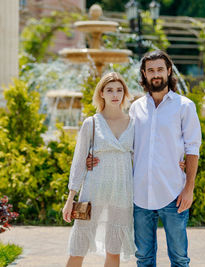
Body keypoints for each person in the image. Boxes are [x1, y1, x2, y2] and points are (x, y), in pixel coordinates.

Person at [88, 50, 201, 266]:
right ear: (144, 74)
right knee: (144, 258)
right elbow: (122, 145)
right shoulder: (135, 108)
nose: (155, 74)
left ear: (169, 71)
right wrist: (93, 159)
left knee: (179, 258)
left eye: (160, 69)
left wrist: (189, 188)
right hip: (140, 195)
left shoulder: (184, 106)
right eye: (151, 70)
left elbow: (193, 148)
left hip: (173, 193)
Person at [62, 72, 136, 267]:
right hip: (92, 193)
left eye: (119, 90)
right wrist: (71, 199)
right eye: (110, 90)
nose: (115, 94)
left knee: (114, 250)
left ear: (124, 93)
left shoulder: (133, 123)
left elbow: (141, 159)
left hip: (122, 193)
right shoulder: (92, 123)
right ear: (101, 93)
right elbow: (78, 162)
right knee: (79, 246)